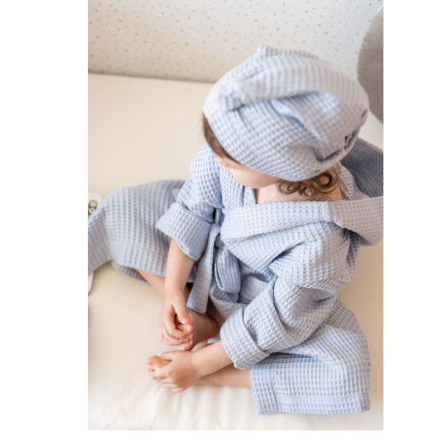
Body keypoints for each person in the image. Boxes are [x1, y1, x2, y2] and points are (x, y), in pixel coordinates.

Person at [88, 45, 383, 415]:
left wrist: (198, 366)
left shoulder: (322, 241)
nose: (217, 160)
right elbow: (191, 212)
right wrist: (173, 292)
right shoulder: (224, 156)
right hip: (215, 249)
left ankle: (217, 372)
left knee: (345, 370)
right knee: (123, 207)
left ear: (285, 168)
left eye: (230, 161)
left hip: (263, 298)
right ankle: (196, 317)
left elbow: (277, 317)